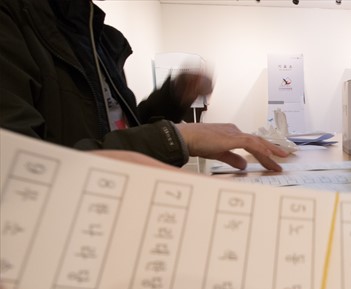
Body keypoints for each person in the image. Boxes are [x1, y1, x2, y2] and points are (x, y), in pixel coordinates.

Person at [0, 0, 289, 172]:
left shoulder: (99, 38)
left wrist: (173, 97)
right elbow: (18, 169)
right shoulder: (12, 21)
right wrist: (174, 137)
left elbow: (116, 132)